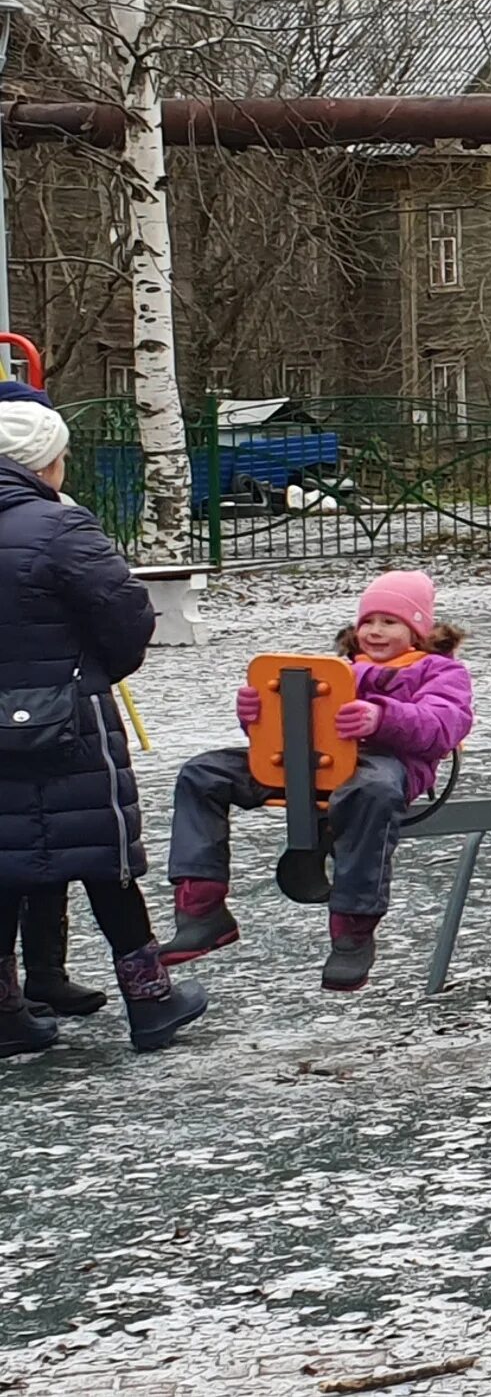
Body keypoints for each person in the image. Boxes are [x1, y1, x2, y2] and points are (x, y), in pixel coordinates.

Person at [0, 378, 207, 1055]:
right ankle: (150, 1000)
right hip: (69, 718)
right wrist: (95, 672)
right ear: (44, 461)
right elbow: (127, 616)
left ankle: (6, 1013)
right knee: (104, 857)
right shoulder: (60, 525)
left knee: (4, 860)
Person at [164, 570, 474, 991]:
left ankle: (353, 932)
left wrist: (382, 718)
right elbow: (290, 726)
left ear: (419, 630)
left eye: (390, 622)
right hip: (306, 763)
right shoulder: (338, 671)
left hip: (384, 763)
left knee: (372, 792)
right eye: (368, 621)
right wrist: (256, 714)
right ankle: (202, 909)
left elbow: (444, 724)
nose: (375, 631)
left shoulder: (438, 672)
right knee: (203, 773)